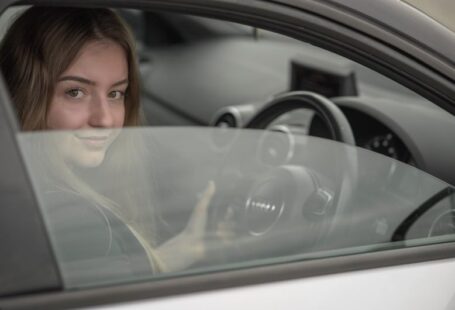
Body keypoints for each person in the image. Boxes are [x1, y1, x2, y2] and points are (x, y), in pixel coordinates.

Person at [0, 6, 215, 280]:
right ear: (26, 94)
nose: (105, 119)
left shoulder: (27, 196)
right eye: (75, 92)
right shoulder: (74, 222)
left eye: (115, 94)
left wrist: (181, 251)